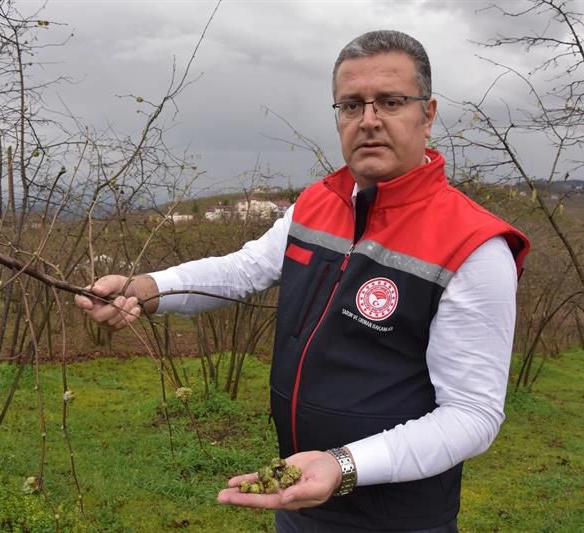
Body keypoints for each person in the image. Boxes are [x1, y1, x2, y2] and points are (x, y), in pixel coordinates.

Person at [75, 29, 530, 533]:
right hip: (298, 494)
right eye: (351, 105)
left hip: (397, 518)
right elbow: (243, 269)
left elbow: (471, 415)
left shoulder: (474, 246)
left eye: (390, 101)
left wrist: (344, 465)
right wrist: (146, 288)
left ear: (428, 114)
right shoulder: (316, 204)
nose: (369, 120)